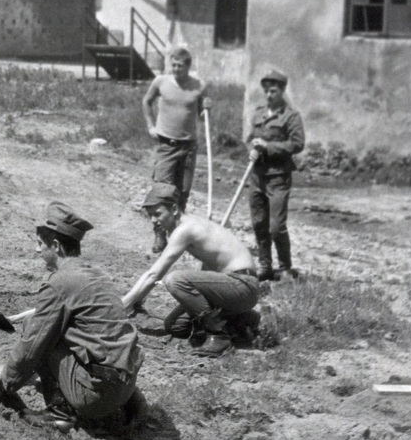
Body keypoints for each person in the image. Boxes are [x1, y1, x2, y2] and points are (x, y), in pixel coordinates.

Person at [0, 201, 146, 433]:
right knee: (105, 342)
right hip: (127, 384)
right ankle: (133, 405)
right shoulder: (96, 276)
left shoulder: (60, 282)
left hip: (98, 398)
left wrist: (6, 380)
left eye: (40, 244)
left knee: (40, 333)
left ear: (56, 245)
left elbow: (33, 343)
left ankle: (60, 414)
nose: (36, 251)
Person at [123, 182, 261, 359]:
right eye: (150, 216)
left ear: (173, 209)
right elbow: (209, 268)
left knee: (175, 280)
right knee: (176, 326)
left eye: (157, 214)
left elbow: (154, 274)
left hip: (243, 284)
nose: (153, 221)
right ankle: (243, 320)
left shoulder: (184, 230)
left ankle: (219, 336)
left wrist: (125, 304)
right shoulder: (190, 224)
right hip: (236, 289)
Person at [142, 47, 210, 253]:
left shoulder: (199, 86)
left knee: (182, 193)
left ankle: (177, 235)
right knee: (162, 192)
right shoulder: (160, 82)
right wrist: (150, 126)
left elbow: (201, 114)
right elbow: (147, 101)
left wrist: (207, 107)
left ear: (188, 66)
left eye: (181, 66)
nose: (177, 69)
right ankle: (159, 234)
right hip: (166, 146)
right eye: (174, 65)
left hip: (188, 147)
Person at [246, 70, 306, 281]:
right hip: (257, 176)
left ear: (282, 91)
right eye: (266, 91)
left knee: (276, 227)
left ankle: (285, 267)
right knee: (258, 223)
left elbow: (297, 144)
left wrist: (268, 146)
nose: (269, 95)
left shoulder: (291, 116)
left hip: (278, 177)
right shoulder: (258, 113)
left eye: (273, 91)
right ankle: (265, 266)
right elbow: (250, 138)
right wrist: (252, 147)